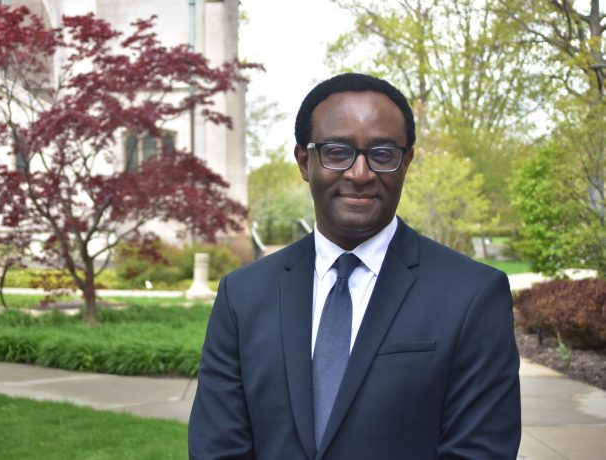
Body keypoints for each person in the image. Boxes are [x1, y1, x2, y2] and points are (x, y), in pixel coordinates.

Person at [189, 73, 521, 459]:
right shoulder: (242, 296)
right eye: (337, 152)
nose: (359, 174)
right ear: (304, 161)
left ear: (406, 162)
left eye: (382, 154)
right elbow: (218, 449)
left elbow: (479, 452)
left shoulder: (472, 296)